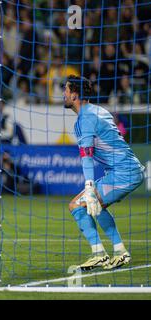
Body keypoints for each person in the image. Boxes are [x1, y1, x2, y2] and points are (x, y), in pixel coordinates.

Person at [64, 75, 144, 271]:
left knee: (77, 205)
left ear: (74, 95)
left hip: (124, 173)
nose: (63, 94)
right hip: (124, 170)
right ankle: (119, 252)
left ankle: (99, 254)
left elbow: (87, 156)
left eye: (66, 90)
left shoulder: (86, 118)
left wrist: (89, 186)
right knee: (95, 206)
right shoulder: (97, 111)